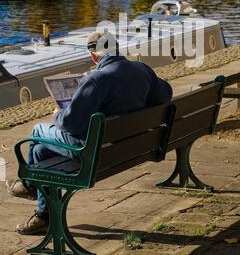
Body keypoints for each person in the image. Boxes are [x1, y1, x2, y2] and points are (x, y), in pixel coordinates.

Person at [7, 32, 173, 235]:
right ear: (117, 48)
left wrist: (58, 114)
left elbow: (70, 125)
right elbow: (165, 93)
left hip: (93, 153)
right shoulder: (142, 69)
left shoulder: (96, 79)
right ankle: (43, 215)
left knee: (37, 131)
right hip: (127, 148)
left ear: (94, 56)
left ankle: (29, 184)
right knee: (40, 151)